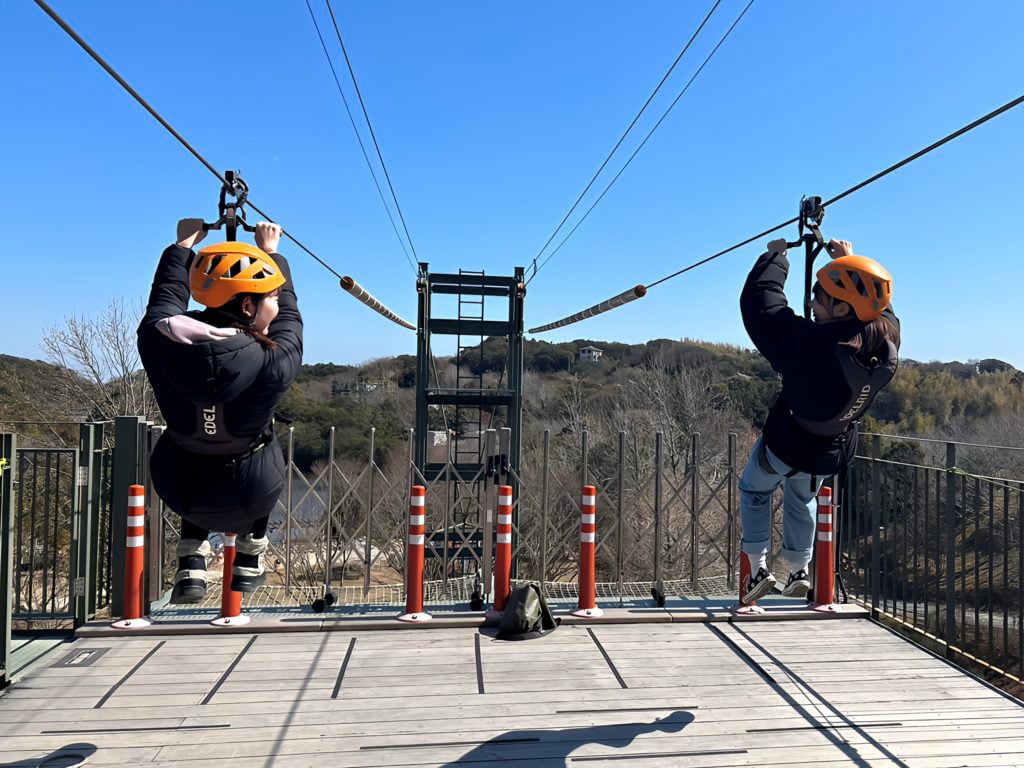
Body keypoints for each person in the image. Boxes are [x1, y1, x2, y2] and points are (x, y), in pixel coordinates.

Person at [138, 218, 302, 603]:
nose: (276, 306)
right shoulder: (273, 361)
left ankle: (192, 555)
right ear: (248, 305)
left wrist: (182, 247)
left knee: (195, 443)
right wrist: (272, 253)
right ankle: (251, 553)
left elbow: (165, 298)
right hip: (250, 493)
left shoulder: (158, 339)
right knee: (266, 440)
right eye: (270, 298)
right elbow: (291, 319)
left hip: (179, 489)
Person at [738, 237, 899, 603]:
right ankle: (798, 570)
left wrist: (776, 257)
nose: (811, 303)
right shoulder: (885, 340)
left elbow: (762, 305)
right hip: (828, 451)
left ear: (842, 309)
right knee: (801, 498)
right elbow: (882, 311)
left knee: (755, 491)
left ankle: (758, 571)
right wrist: (850, 260)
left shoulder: (806, 345)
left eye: (819, 297)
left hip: (785, 444)